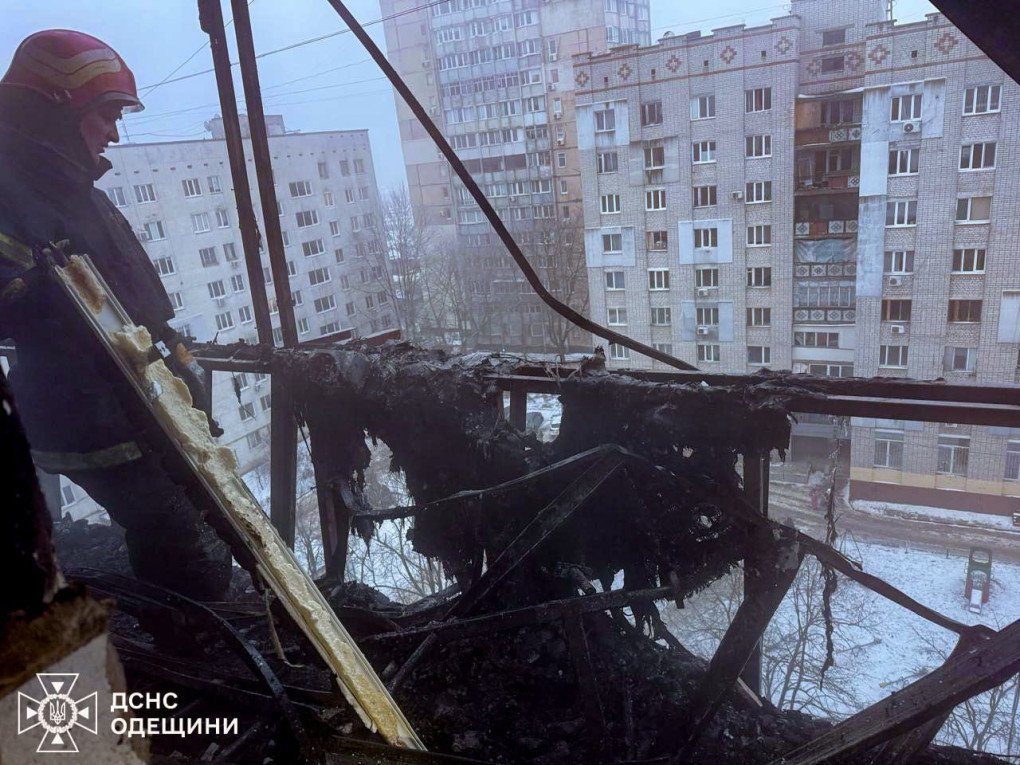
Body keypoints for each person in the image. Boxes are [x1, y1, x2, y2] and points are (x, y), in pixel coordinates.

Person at [0, 30, 232, 600]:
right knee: (187, 541)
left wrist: (173, 357)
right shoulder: (12, 195)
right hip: (90, 417)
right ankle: (185, 633)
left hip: (129, 401)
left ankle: (183, 621)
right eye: (106, 114)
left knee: (194, 527)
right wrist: (34, 288)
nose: (114, 131)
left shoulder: (70, 190)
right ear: (56, 110)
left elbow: (130, 297)